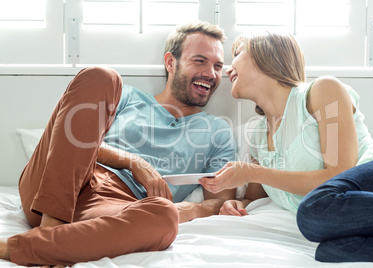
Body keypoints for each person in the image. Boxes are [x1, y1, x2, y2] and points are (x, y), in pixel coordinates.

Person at [0, 21, 236, 267]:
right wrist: (132, 161)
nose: (210, 73)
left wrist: (193, 209)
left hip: (112, 207)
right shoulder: (127, 97)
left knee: (164, 216)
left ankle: (39, 244)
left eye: (218, 66)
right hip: (57, 185)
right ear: (170, 62)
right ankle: (51, 227)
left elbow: (220, 199)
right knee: (102, 76)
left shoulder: (218, 131)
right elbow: (72, 140)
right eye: (200, 61)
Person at [198, 31, 373, 263]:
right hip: (346, 216)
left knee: (312, 212)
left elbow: (338, 176)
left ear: (265, 55)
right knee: (328, 251)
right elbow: (256, 197)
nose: (227, 69)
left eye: (237, 54)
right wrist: (236, 204)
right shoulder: (257, 134)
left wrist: (252, 171)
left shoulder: (321, 91)